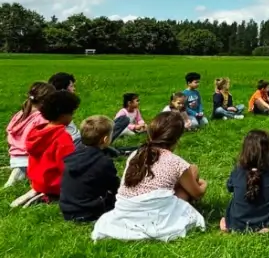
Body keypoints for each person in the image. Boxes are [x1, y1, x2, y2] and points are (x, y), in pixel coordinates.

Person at [91, 112, 206, 242]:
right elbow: (198, 193)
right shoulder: (176, 162)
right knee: (193, 171)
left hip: (126, 210)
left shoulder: (136, 154)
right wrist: (203, 183)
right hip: (157, 215)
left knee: (190, 171)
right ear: (176, 139)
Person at [11, 90, 79, 208]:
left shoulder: (37, 131)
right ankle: (49, 196)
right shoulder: (62, 137)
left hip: (37, 181)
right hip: (55, 185)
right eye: (72, 113)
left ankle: (38, 191)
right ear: (63, 115)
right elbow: (68, 167)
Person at [60, 116, 119, 222]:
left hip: (67, 210)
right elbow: (115, 187)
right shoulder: (103, 162)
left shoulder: (73, 155)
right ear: (105, 139)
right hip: (88, 212)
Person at [5, 82, 54, 188]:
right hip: (28, 159)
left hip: (15, 158)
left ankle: (17, 173)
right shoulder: (42, 118)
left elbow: (8, 134)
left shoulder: (19, 115)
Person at [47, 72, 81, 145]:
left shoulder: (52, 106)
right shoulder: (60, 112)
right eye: (71, 86)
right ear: (63, 89)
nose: (74, 89)